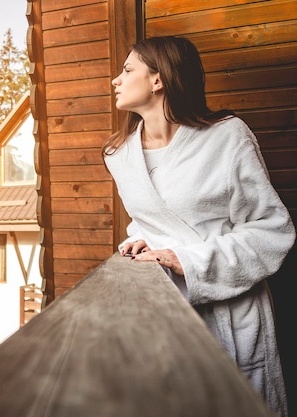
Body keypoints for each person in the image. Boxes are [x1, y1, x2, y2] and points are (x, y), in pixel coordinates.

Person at [102, 36, 295, 417]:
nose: (116, 80)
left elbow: (272, 229)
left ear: (158, 80)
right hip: (164, 313)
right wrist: (140, 238)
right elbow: (151, 218)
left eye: (127, 70)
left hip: (231, 309)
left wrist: (188, 260)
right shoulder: (119, 154)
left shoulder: (226, 137)